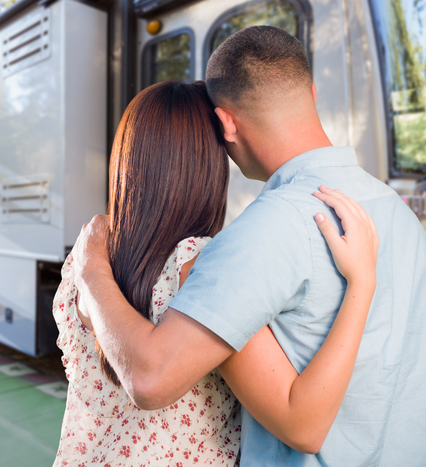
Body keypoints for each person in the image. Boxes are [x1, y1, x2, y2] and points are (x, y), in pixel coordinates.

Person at [72, 26, 426, 466]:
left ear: (226, 123)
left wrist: (90, 271)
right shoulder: (398, 214)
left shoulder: (265, 231)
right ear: (309, 90)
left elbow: (151, 378)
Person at [53, 80, 379, 466]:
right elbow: (302, 424)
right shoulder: (199, 267)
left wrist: (91, 266)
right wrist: (362, 282)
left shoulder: (88, 257)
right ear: (208, 167)